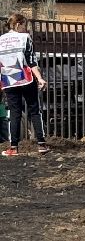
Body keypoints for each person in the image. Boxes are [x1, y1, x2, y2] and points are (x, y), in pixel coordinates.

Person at [1, 13, 48, 157]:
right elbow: (32, 61)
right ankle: (41, 144)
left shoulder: (1, 40)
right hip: (25, 79)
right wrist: (40, 78)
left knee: (14, 114)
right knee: (34, 110)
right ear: (18, 24)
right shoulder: (24, 38)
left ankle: (13, 147)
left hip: (9, 80)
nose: (25, 29)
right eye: (24, 25)